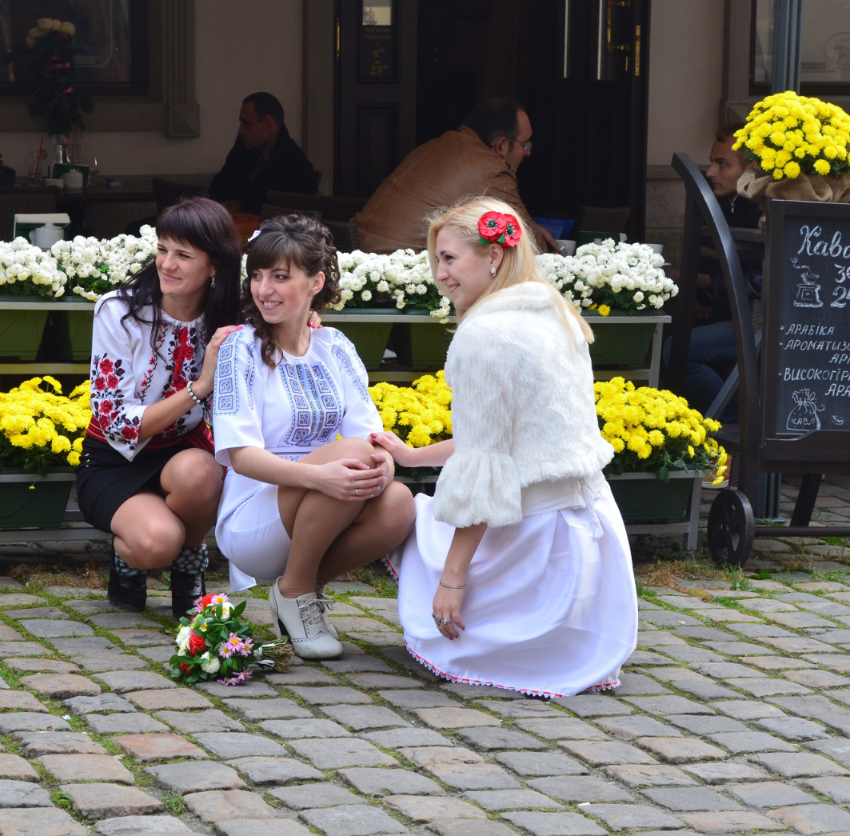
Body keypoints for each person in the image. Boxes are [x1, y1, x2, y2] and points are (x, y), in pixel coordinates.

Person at [374, 197, 638, 697]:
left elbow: (485, 470)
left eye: (449, 258)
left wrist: (452, 578)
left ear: (493, 256)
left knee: (412, 518)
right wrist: (410, 457)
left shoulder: (485, 335)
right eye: (436, 260)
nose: (439, 274)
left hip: (535, 543)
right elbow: (508, 442)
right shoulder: (554, 312)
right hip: (592, 530)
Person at [211, 214, 416, 659]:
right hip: (253, 514)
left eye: (281, 277)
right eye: (258, 276)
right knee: (351, 458)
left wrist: (386, 463)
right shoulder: (239, 348)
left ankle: (295, 589)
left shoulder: (335, 346)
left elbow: (372, 437)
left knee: (398, 502)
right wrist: (320, 478)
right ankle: (298, 589)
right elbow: (240, 456)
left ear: (316, 282)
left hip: (325, 499)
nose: (264, 289)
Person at [76, 198, 244, 619]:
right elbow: (114, 422)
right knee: (155, 544)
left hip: (181, 456)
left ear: (215, 266)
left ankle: (190, 566)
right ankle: (129, 560)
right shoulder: (119, 311)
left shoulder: (228, 320)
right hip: (113, 460)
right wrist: (198, 388)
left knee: (203, 471)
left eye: (184, 255)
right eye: (163, 249)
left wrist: (307, 319)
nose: (167, 264)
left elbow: (283, 322)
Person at [354, 97, 560, 254]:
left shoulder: (433, 146)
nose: (528, 152)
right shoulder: (493, 170)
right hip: (404, 281)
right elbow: (531, 248)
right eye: (525, 144)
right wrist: (534, 230)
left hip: (357, 259)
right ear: (501, 145)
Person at [663, 126, 763, 423]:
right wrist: (701, 299)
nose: (710, 172)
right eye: (711, 161)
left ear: (751, 169)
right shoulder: (725, 201)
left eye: (723, 164)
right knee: (661, 336)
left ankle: (734, 429)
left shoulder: (763, 207)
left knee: (677, 351)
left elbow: (757, 284)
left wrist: (705, 288)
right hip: (729, 312)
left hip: (759, 320)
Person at [209, 92, 319, 215]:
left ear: (268, 124)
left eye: (247, 123)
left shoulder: (295, 163)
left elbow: (290, 210)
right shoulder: (243, 146)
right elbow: (218, 186)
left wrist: (244, 205)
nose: (240, 131)